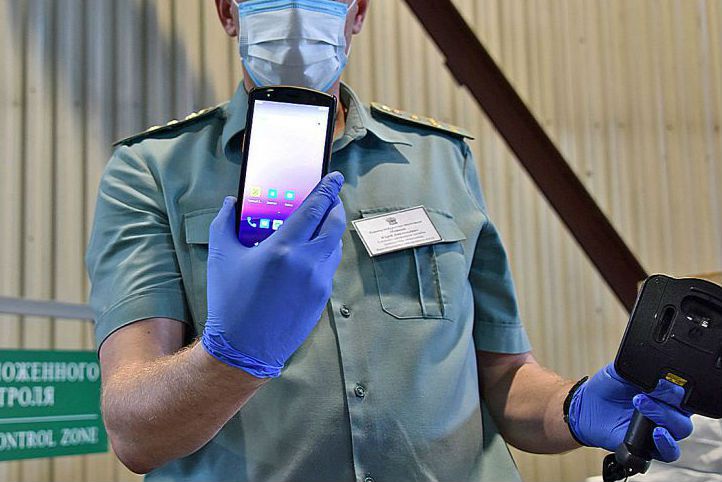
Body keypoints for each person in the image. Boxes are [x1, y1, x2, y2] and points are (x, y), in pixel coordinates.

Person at [85, 1, 694, 481]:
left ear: (357, 12)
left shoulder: (439, 159)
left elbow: (503, 376)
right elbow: (135, 433)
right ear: (228, 10)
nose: (296, 13)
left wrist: (573, 406)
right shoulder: (152, 171)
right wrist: (233, 355)